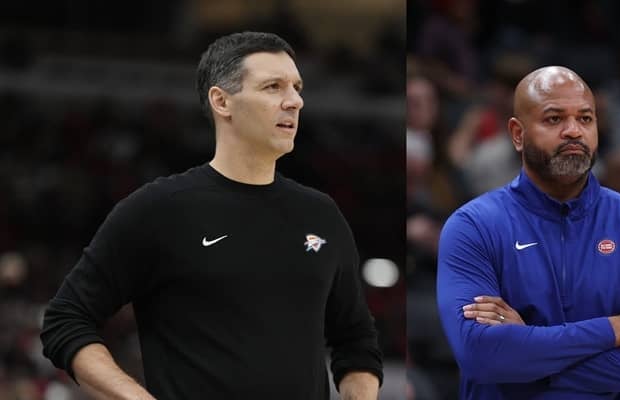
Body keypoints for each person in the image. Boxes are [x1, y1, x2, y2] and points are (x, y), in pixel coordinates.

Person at [39, 32, 382, 399]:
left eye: (296, 87)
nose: (295, 101)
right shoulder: (159, 209)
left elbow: (356, 341)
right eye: (273, 87)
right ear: (221, 101)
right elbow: (66, 318)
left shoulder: (322, 214)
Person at [436, 66, 620, 399]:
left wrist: (527, 357)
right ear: (517, 134)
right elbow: (481, 356)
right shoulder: (473, 227)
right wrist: (616, 329)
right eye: (554, 119)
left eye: (585, 119)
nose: (573, 131)